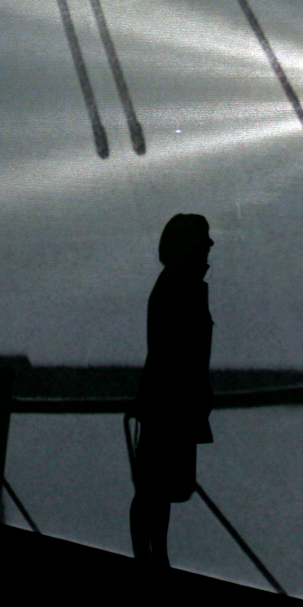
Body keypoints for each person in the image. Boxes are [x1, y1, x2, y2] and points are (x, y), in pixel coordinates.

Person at [130, 213, 215, 570]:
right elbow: (177, 351)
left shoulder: (175, 285)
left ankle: (153, 555)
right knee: (157, 488)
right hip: (172, 404)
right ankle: (154, 556)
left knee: (155, 488)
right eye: (203, 239)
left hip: (167, 402)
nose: (210, 246)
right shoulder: (184, 288)